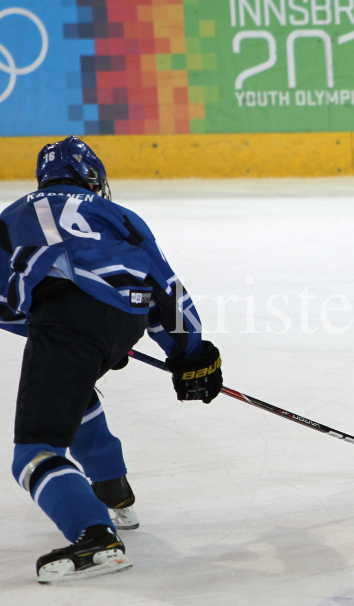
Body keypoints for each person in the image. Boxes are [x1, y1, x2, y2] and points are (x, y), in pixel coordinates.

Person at [0, 137, 223, 582]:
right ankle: (112, 490)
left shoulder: (11, 217)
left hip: (65, 316)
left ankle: (95, 535)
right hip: (125, 313)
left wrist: (57, 328)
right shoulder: (116, 213)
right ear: (91, 178)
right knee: (75, 392)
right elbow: (164, 289)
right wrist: (192, 356)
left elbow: (6, 305)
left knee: (33, 453)